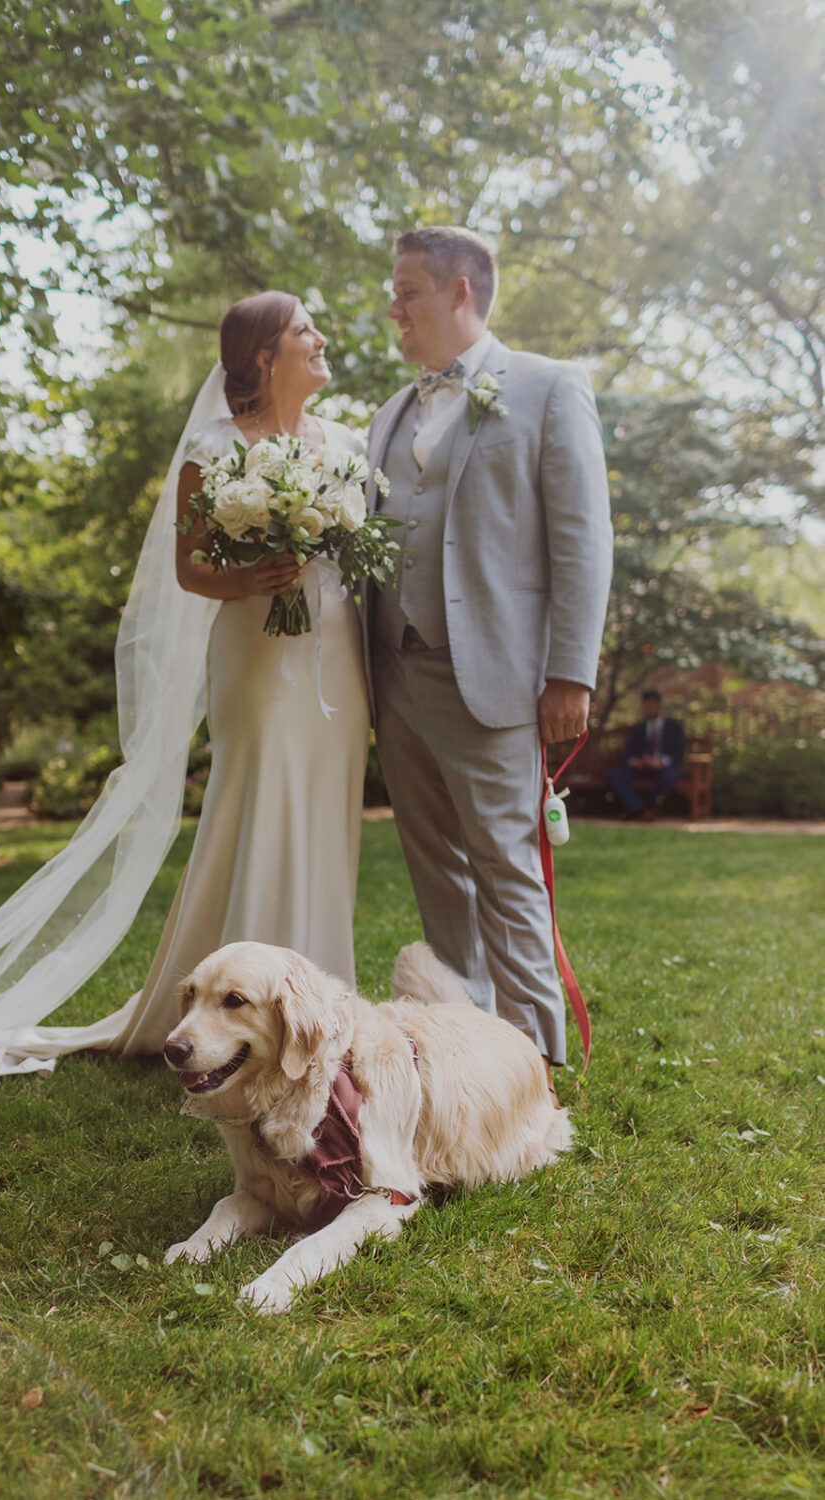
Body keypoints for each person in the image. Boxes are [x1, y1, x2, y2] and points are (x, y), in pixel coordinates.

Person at [0, 294, 369, 1081]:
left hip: (335, 660)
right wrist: (250, 575)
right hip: (256, 656)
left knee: (326, 814)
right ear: (262, 355)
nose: (320, 340)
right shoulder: (213, 446)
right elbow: (190, 570)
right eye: (303, 331)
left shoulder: (348, 442)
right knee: (254, 804)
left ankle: (320, 1011)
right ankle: (243, 1011)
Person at [363, 225, 613, 1102]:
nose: (392, 308)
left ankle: (536, 1062)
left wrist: (569, 674)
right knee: (435, 867)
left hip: (498, 677)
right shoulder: (388, 412)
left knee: (505, 866)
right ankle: (466, 1050)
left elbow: (583, 542)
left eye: (407, 292)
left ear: (460, 290)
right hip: (396, 675)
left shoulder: (547, 388)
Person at [607, 690, 685, 821]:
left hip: (664, 768)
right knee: (614, 775)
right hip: (642, 768)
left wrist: (661, 761)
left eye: (652, 705)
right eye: (647, 706)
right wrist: (635, 761)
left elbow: (679, 752)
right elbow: (629, 753)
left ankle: (644, 808)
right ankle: (641, 809)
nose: (649, 709)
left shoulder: (674, 727)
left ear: (659, 704)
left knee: (667, 776)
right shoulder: (639, 728)